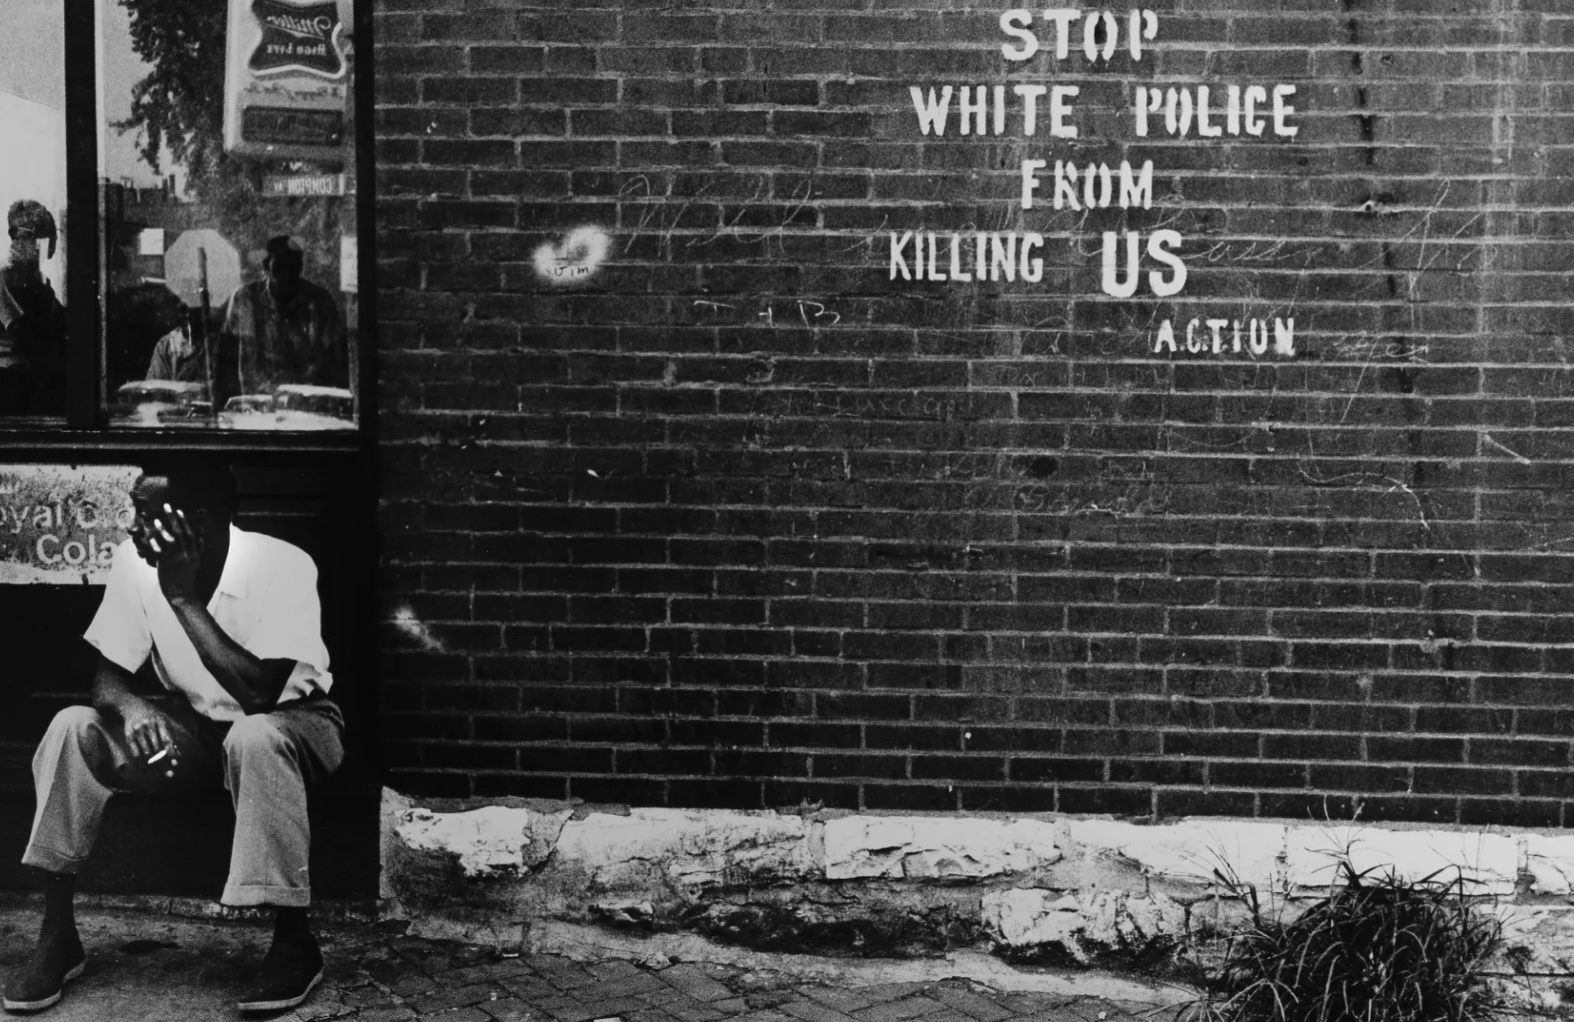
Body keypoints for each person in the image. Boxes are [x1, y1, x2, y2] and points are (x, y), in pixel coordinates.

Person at [5, 464, 343, 1014]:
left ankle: (294, 939)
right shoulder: (135, 564)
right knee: (72, 726)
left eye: (146, 513)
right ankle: (58, 932)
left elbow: (259, 693)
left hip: (298, 726)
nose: (133, 527)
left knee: (254, 737)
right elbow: (106, 679)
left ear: (198, 524)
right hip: (202, 731)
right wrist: (132, 706)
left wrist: (183, 600)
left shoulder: (282, 564)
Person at [217, 236, 346, 409]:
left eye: (293, 268)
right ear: (265, 266)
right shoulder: (245, 299)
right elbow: (226, 358)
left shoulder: (319, 302)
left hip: (306, 407)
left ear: (301, 267)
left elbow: (338, 359)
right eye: (279, 267)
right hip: (255, 404)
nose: (287, 276)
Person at [0, 200, 68, 414]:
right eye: (34, 237)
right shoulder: (4, 279)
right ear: (15, 237)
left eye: (48, 237)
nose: (47, 245)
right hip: (11, 383)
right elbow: (23, 332)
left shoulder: (39, 282)